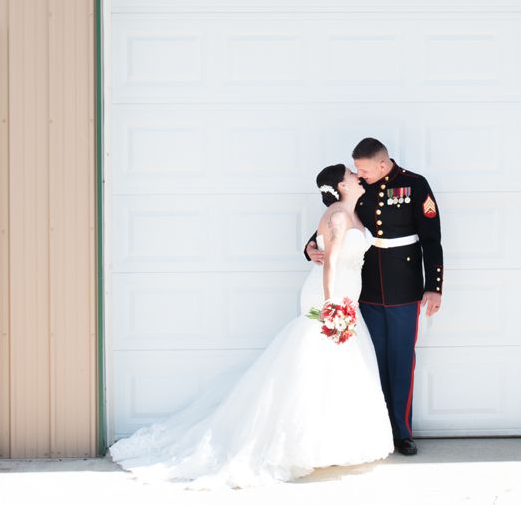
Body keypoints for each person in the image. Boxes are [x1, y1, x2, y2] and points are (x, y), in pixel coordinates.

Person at [110, 164, 392, 487]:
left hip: (348, 301)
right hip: (331, 298)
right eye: (351, 174)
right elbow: (330, 261)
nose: (358, 176)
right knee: (317, 364)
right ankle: (303, 443)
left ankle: (335, 440)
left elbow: (321, 246)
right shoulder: (339, 216)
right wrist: (331, 303)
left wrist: (315, 255)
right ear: (342, 186)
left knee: (339, 368)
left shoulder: (352, 212)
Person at [304, 138, 442, 456]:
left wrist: (434, 286)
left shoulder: (414, 185)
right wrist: (310, 247)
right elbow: (336, 219)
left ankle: (402, 431)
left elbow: (432, 239)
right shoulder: (360, 189)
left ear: (382, 165)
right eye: (356, 170)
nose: (358, 174)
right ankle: (376, 428)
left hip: (404, 286)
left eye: (363, 169)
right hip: (366, 288)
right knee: (372, 360)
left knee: (401, 360)